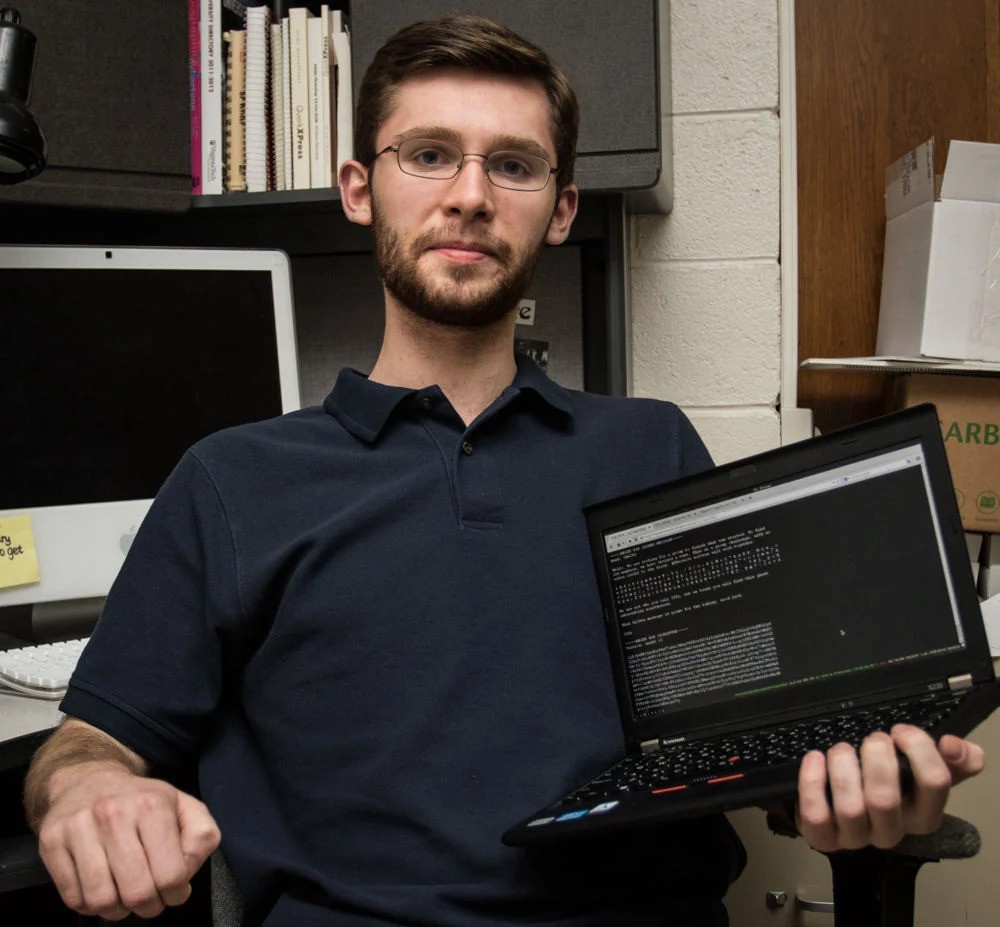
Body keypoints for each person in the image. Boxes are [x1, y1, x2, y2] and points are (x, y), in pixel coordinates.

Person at [23, 14, 984, 927]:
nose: (471, 194)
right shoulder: (232, 478)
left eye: (513, 165)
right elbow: (93, 736)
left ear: (560, 209)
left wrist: (842, 787)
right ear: (361, 188)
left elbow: (743, 746)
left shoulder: (650, 448)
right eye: (429, 154)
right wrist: (90, 787)